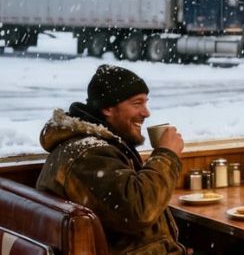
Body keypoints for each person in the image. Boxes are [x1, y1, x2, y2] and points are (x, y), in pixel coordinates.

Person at [36, 64, 186, 254]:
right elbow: (138, 211)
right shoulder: (88, 156)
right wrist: (166, 154)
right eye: (137, 104)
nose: (146, 112)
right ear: (107, 107)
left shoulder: (95, 145)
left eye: (146, 103)